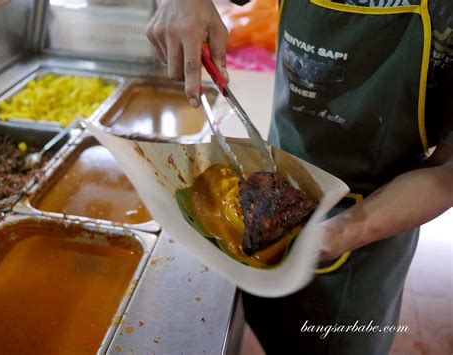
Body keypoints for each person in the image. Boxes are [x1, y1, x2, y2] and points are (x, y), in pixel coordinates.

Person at [146, 0, 453, 353]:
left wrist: (345, 231)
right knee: (269, 327)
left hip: (370, 231)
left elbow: (448, 171)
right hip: (268, 187)